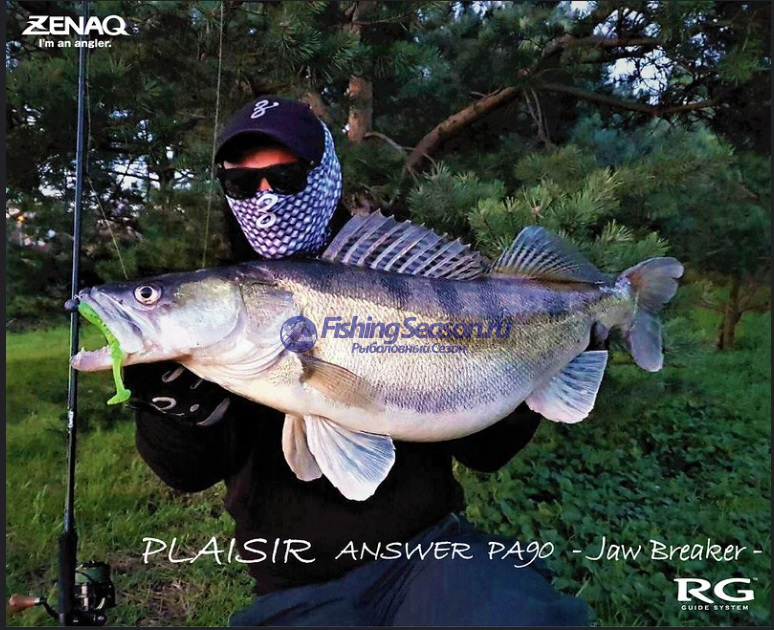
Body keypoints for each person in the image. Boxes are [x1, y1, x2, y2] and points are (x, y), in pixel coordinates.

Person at [124, 95, 591, 626]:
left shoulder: (408, 275)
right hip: (293, 583)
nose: (265, 198)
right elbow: (188, 474)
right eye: (241, 183)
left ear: (324, 176)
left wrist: (552, 349)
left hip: (432, 555)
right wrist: (177, 414)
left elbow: (487, 451)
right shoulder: (214, 312)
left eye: (287, 177)